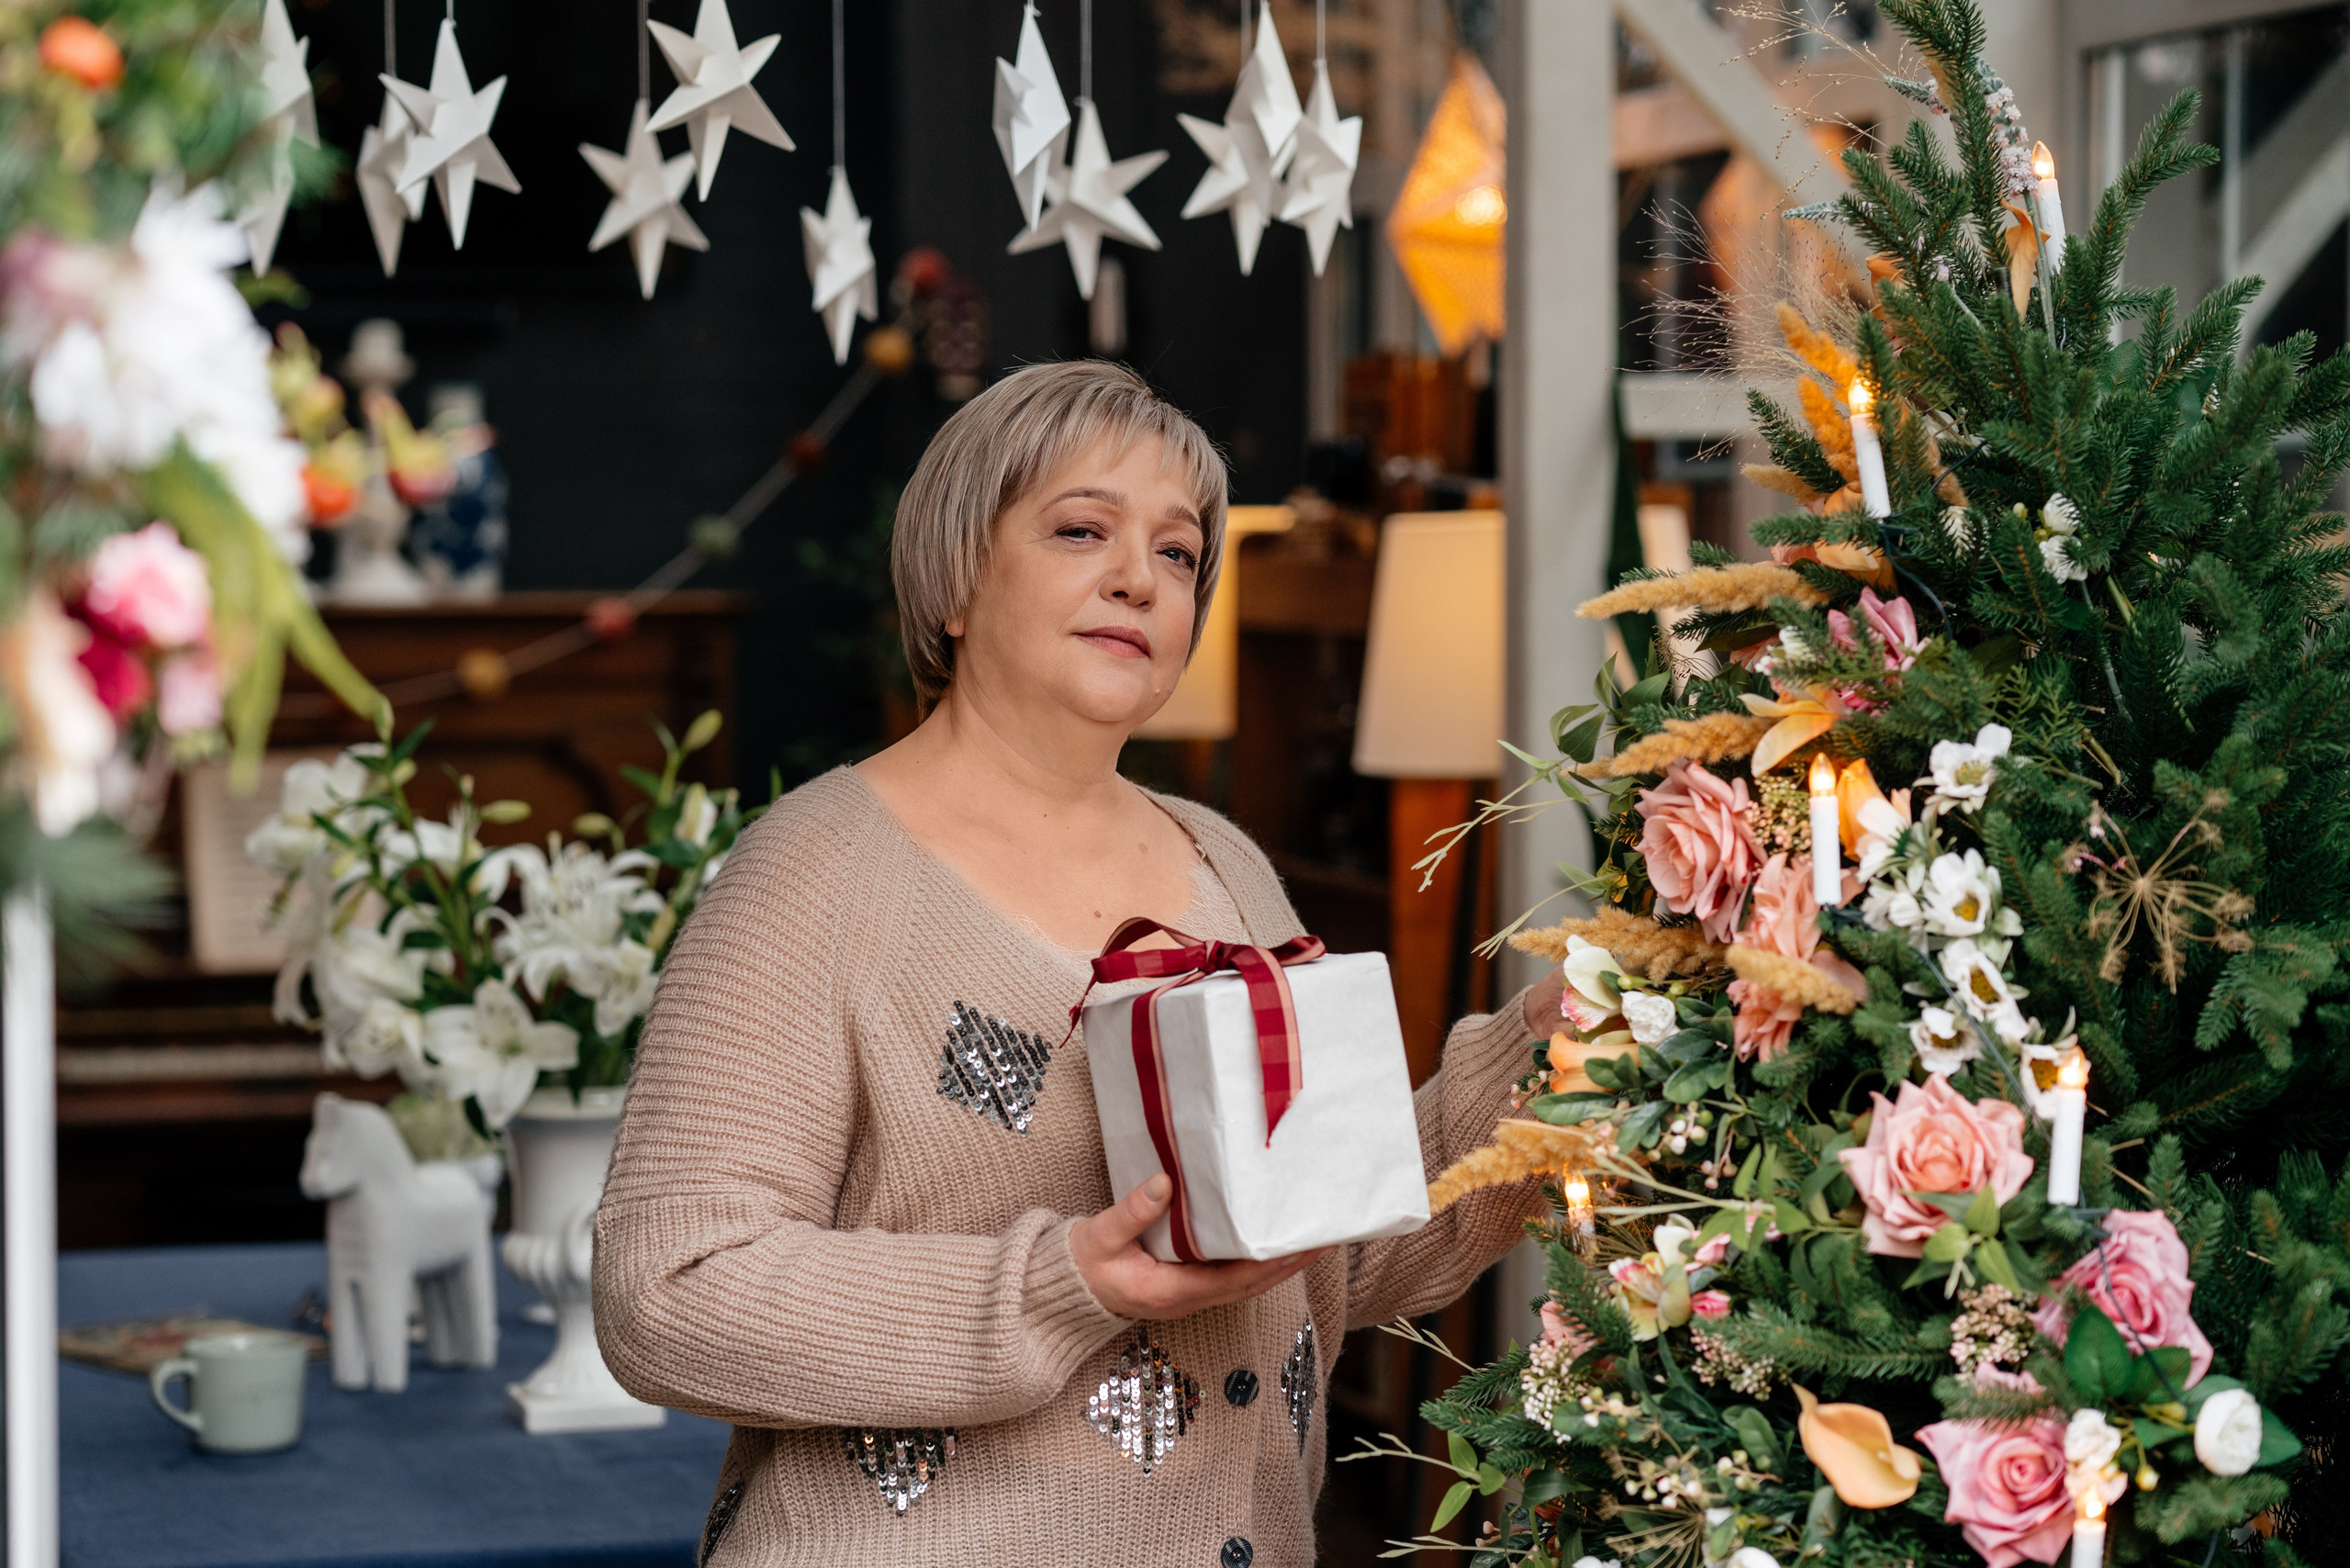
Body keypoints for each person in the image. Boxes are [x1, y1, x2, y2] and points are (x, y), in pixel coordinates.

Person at [593, 361, 1564, 1568]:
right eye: (1081, 530)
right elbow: (668, 1295)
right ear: (955, 578)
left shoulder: (1223, 866)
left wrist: (1549, 1046)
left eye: (1176, 554)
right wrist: (1064, 1285)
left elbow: (1333, 1249)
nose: (1137, 578)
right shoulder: (809, 877)